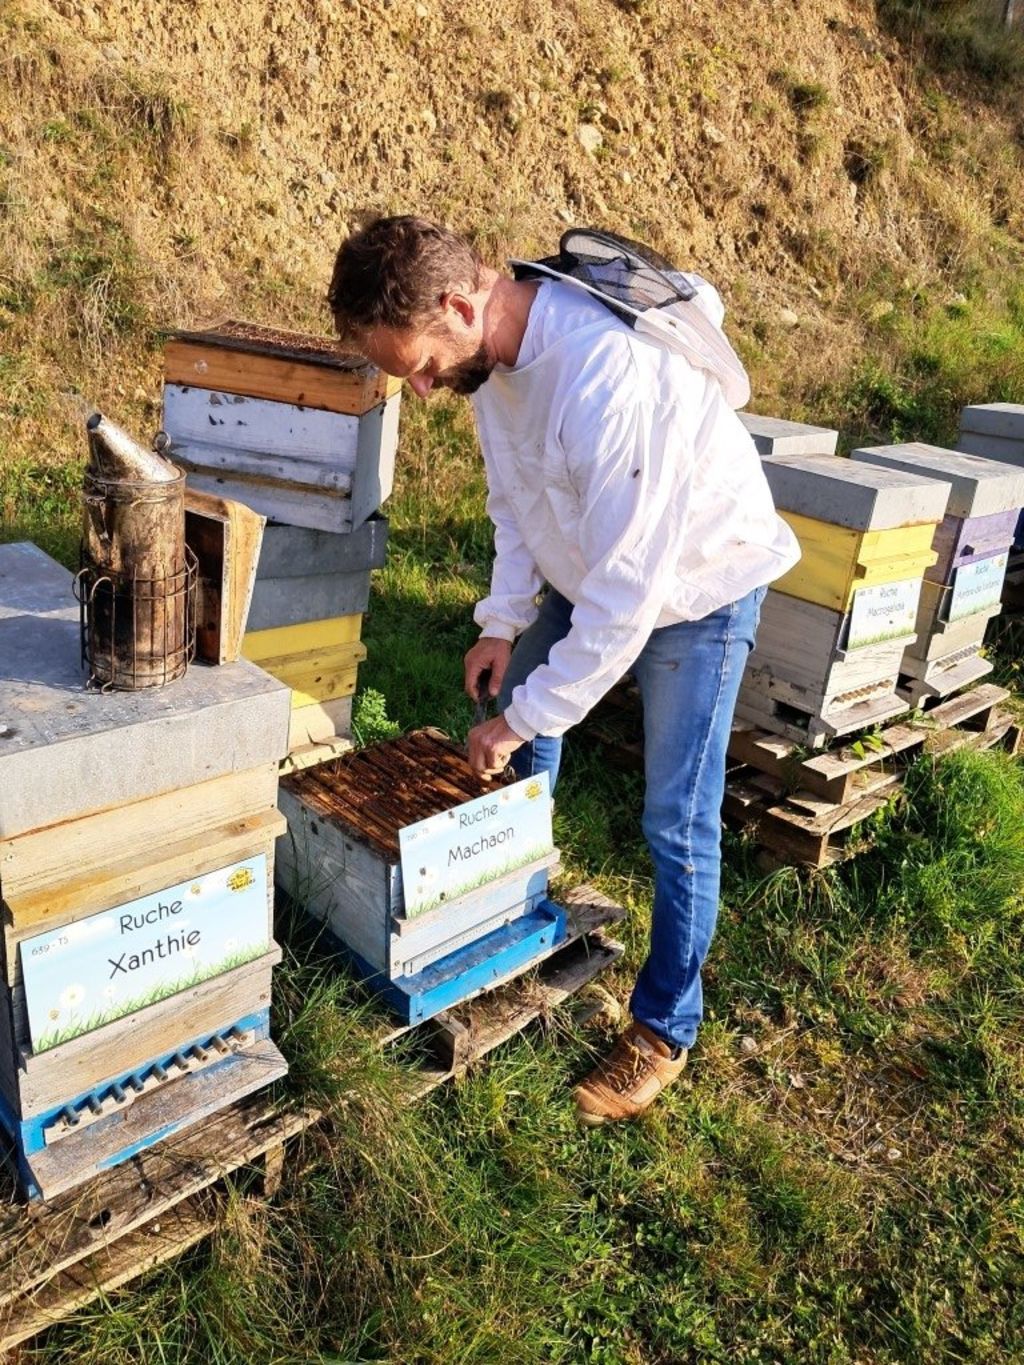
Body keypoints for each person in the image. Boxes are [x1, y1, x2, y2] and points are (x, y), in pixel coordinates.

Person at [328, 216, 799, 1126]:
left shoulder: (605, 376)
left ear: (461, 305)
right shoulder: (491, 365)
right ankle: (511, 902)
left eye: (419, 365)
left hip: (696, 585)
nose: (422, 388)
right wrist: (504, 623)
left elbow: (628, 600)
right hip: (600, 568)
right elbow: (517, 502)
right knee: (521, 720)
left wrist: (524, 714)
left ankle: (665, 1027)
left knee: (675, 818)